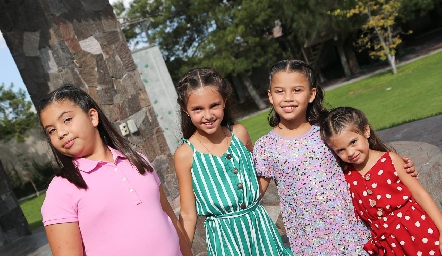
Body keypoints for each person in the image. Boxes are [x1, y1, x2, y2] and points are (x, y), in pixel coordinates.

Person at [252, 60, 417, 255]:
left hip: (351, 231)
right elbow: (254, 195)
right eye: (280, 91)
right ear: (270, 96)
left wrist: (399, 169)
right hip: (309, 241)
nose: (288, 98)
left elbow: (365, 161)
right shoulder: (265, 146)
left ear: (312, 94)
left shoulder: (327, 133)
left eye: (297, 90)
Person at [38, 85, 192, 256]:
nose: (60, 133)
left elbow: (170, 218)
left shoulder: (138, 160)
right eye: (51, 130)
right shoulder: (61, 189)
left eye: (67, 120)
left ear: (92, 117)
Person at [174, 67, 293, 255]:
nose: (208, 115)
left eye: (214, 105)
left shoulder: (239, 133)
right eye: (198, 109)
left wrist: (251, 198)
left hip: (261, 229)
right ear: (185, 110)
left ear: (224, 102)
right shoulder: (185, 154)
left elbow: (261, 172)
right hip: (225, 240)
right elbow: (188, 214)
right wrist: (183, 251)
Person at [320, 106, 442, 255]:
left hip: (417, 231)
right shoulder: (346, 175)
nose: (350, 153)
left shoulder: (390, 160)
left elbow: (420, 194)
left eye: (353, 142)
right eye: (340, 150)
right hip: (388, 245)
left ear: (366, 131)